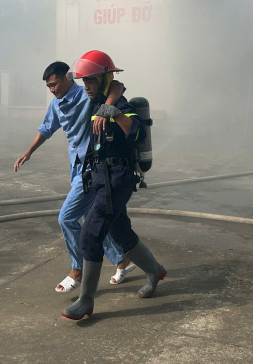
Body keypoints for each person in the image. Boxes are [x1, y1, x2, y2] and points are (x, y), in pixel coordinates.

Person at [14, 60, 135, 294]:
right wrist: (28, 152)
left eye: (54, 84)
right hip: (76, 166)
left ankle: (77, 271)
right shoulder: (57, 104)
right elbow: (46, 129)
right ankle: (122, 260)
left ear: (68, 78)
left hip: (93, 168)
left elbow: (117, 85)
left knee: (67, 218)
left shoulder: (86, 94)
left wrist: (106, 108)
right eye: (48, 87)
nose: (52, 90)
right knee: (91, 218)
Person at [62, 50, 166, 320]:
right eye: (84, 81)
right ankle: (154, 271)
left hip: (118, 180)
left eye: (92, 81)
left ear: (105, 79)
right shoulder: (97, 103)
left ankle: (86, 300)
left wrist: (116, 112)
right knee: (120, 233)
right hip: (100, 179)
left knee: (90, 235)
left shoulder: (123, 106)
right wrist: (108, 100)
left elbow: (139, 131)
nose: (86, 87)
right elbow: (114, 88)